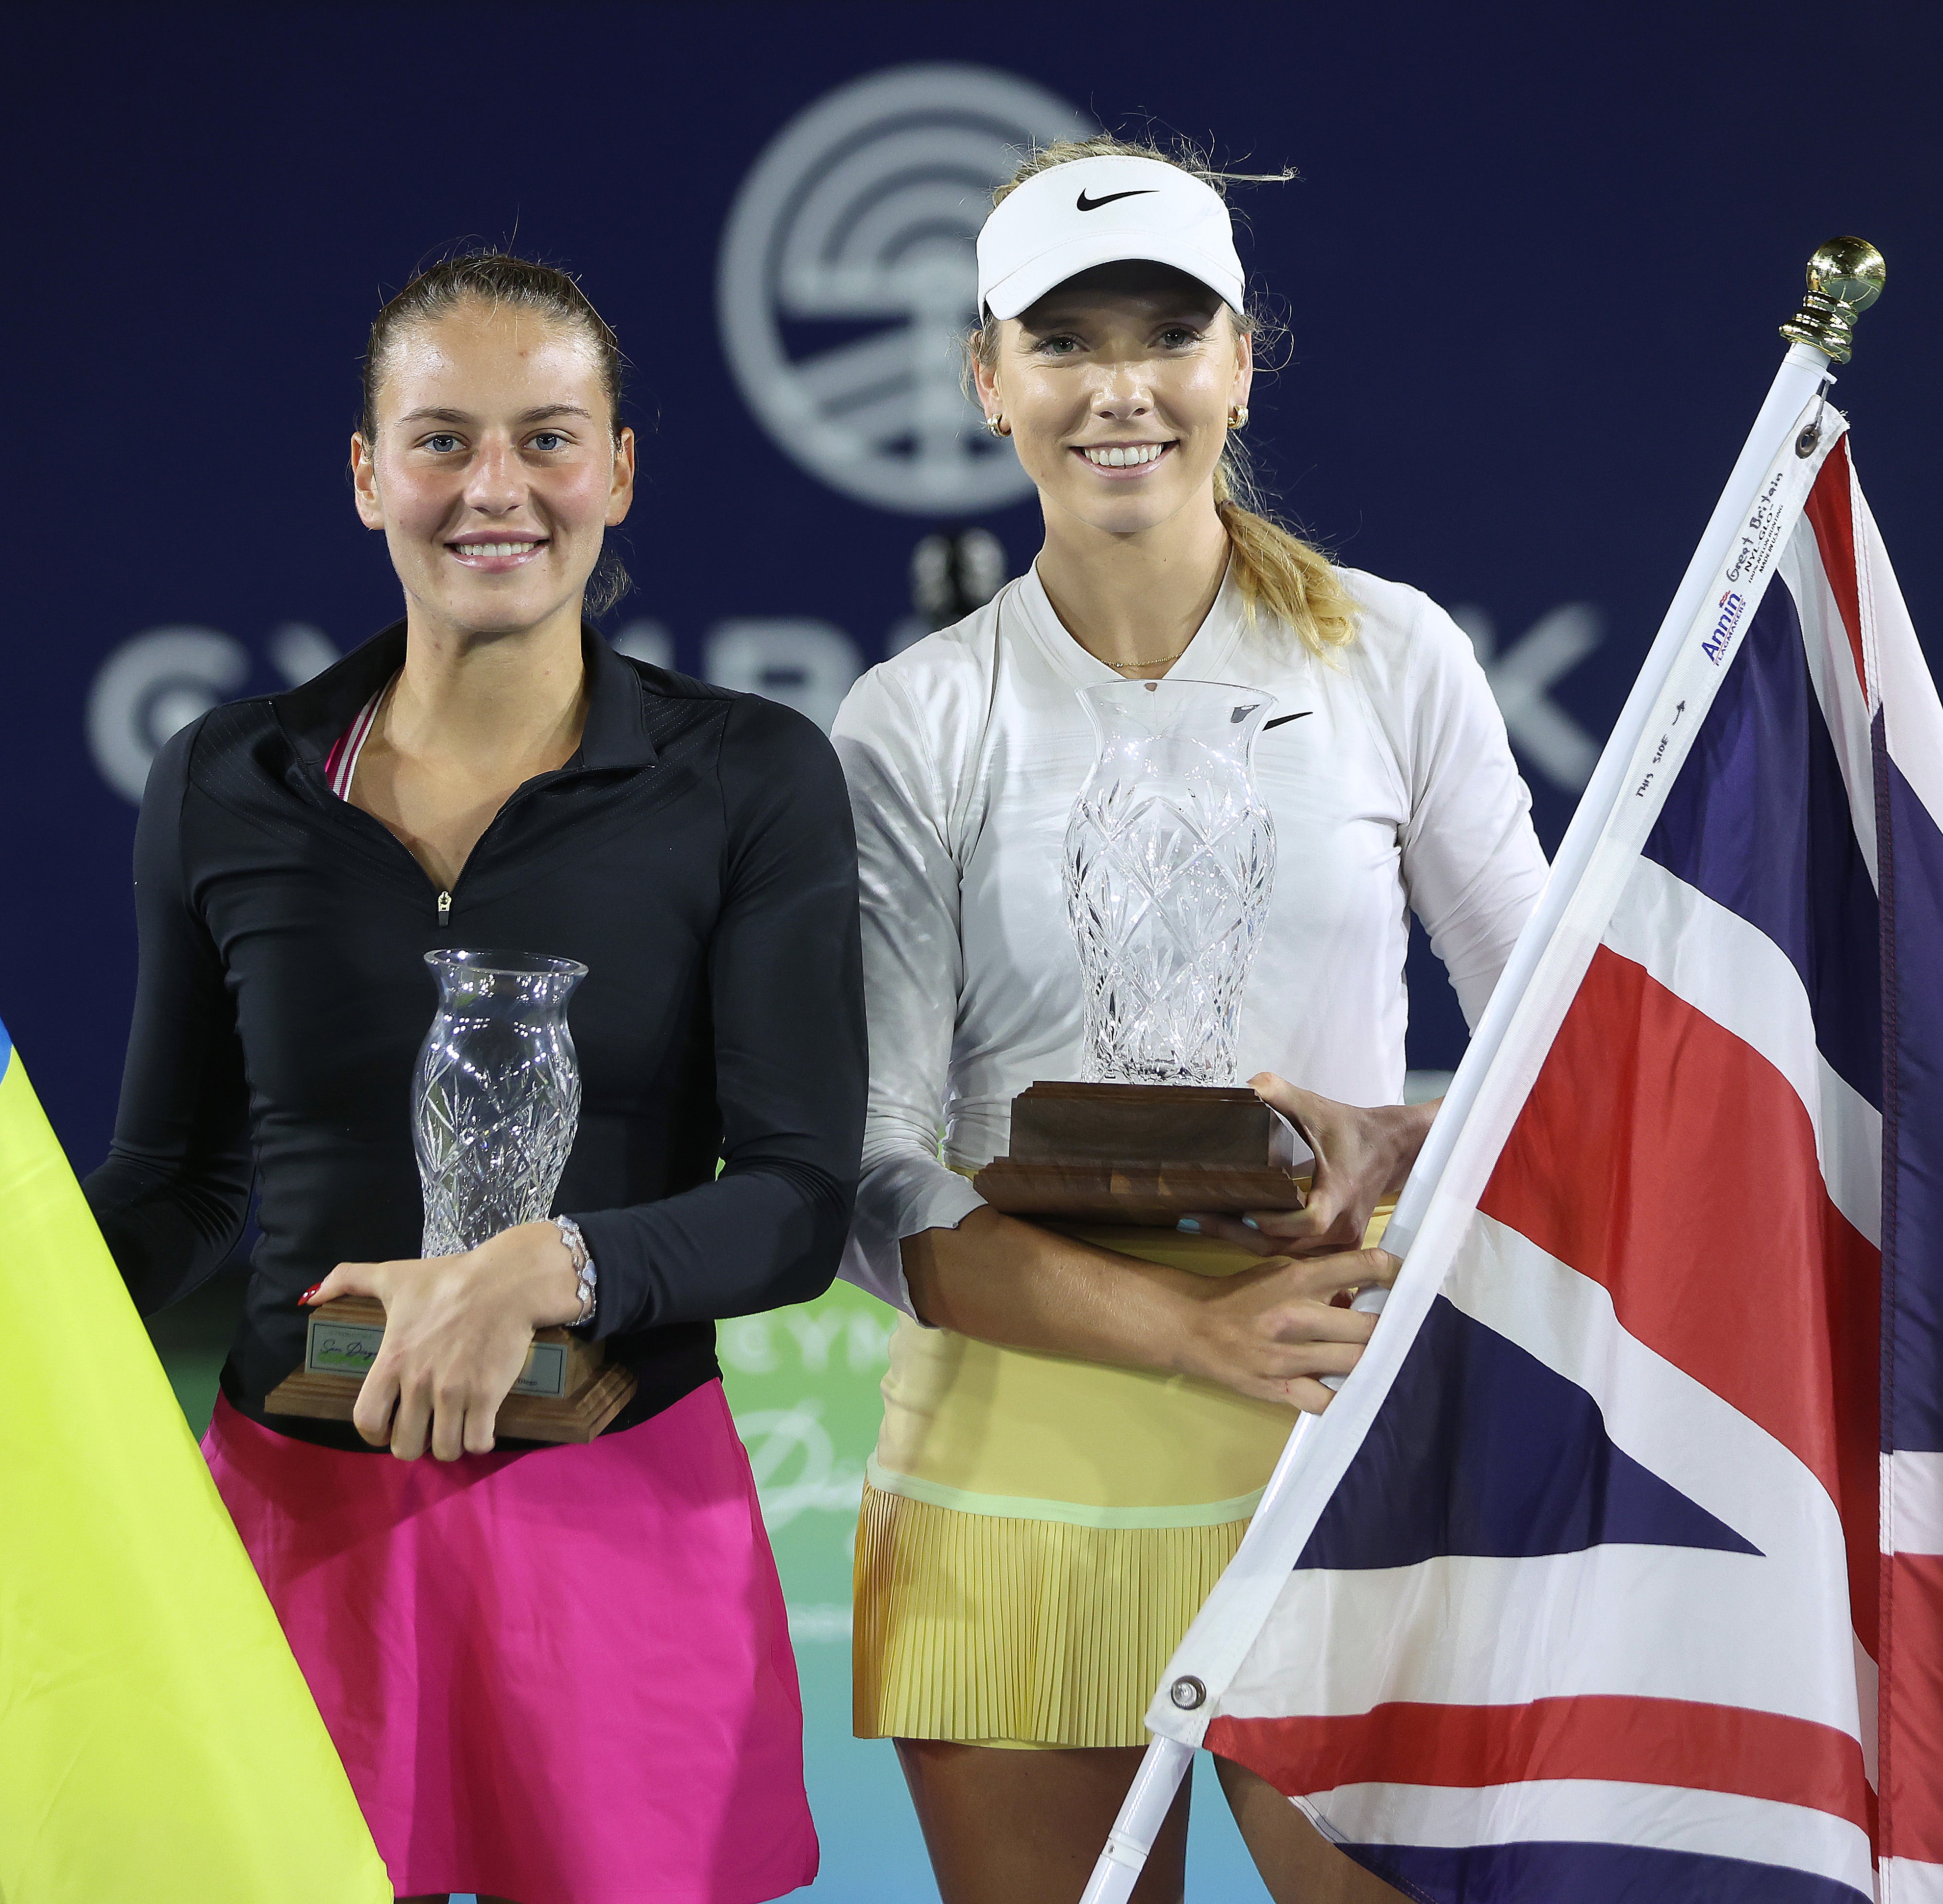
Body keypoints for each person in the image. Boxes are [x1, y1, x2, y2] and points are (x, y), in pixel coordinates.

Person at [85, 252, 862, 1904]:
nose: (493, 489)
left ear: (620, 469)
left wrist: (548, 1270)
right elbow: (181, 1181)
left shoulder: (749, 777)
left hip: (615, 1519)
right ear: (366, 473)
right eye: (439, 440)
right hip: (295, 1524)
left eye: (547, 438)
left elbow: (799, 1196)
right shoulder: (227, 778)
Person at [833, 140, 1548, 1903]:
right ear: (986, 381)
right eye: (1065, 341)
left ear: (1239, 358)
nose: (1120, 386)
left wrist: (1412, 1134)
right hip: (1018, 1470)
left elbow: (1574, 1041)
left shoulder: (1395, 659)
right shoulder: (911, 723)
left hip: (1336, 1432)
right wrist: (1180, 1336)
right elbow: (868, 1174)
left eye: (1167, 331)